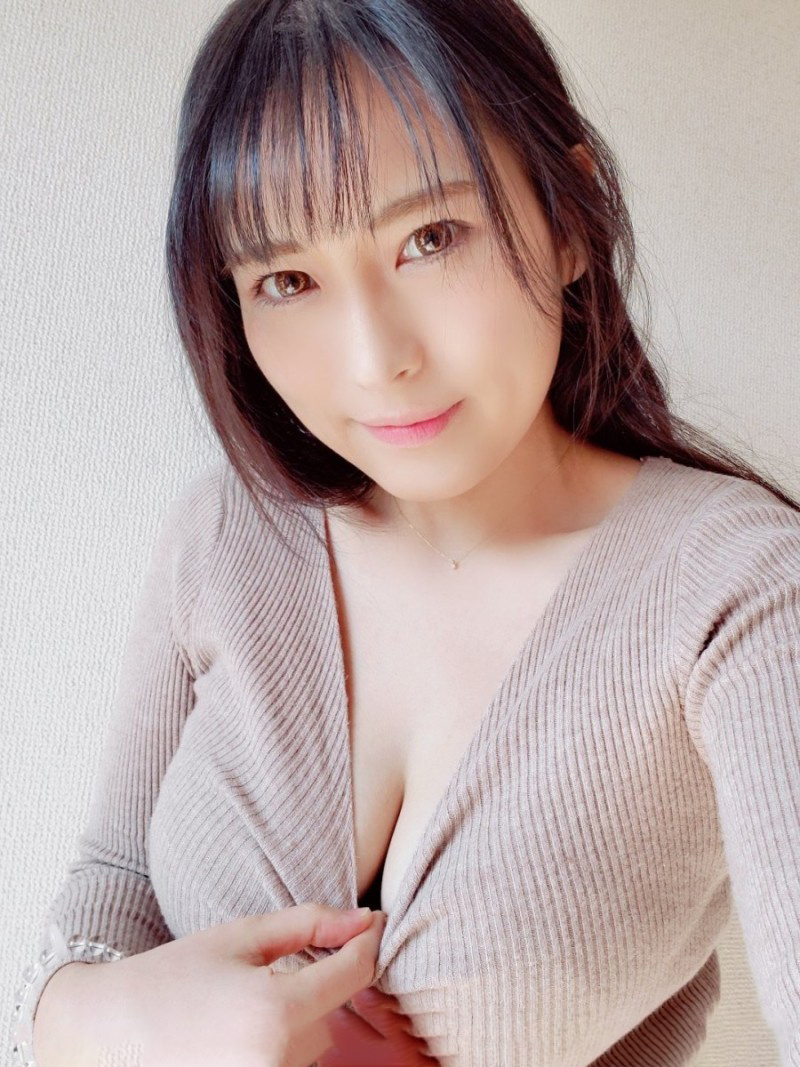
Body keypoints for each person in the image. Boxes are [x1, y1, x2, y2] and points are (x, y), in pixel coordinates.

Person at [9, 0, 800, 1065]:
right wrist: (81, 1014)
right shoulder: (229, 534)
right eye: (287, 279)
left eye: (430, 238)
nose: (375, 358)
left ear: (568, 217)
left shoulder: (738, 593)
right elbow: (113, 882)